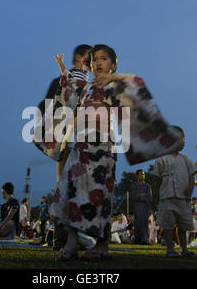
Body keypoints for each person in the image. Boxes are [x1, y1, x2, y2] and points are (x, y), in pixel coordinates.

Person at [34, 44, 182, 261]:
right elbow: (71, 92)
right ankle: (72, 242)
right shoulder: (87, 87)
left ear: (113, 64)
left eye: (103, 59)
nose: (98, 63)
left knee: (100, 196)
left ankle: (102, 246)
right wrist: (64, 71)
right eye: (94, 60)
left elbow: (136, 87)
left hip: (102, 148)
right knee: (71, 192)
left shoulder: (116, 86)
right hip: (81, 146)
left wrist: (117, 78)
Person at [43, 44, 93, 251]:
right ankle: (61, 238)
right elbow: (67, 89)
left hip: (82, 133)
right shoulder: (77, 77)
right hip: (70, 132)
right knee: (63, 183)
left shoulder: (90, 80)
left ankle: (70, 237)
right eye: (91, 58)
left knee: (79, 186)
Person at [152, 126, 197, 258]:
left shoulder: (185, 159)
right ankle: (170, 249)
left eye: (184, 139)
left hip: (183, 199)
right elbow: (157, 177)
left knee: (183, 225)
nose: (183, 141)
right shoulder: (161, 159)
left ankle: (184, 249)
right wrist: (160, 192)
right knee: (168, 224)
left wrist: (190, 189)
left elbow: (191, 176)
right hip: (167, 197)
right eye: (180, 138)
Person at [130, 169, 152, 244]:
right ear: (137, 176)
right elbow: (133, 196)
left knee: (144, 225)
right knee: (137, 224)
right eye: (141, 174)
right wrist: (141, 196)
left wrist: (140, 196)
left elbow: (149, 197)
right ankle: (137, 240)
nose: (142, 176)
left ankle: (145, 240)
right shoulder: (134, 185)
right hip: (136, 208)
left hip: (145, 208)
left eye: (143, 174)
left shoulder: (147, 186)